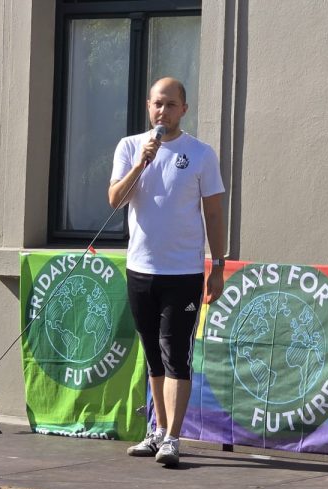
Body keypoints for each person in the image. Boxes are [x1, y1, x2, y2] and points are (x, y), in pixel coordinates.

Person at [108, 77, 226, 468]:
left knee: (176, 354)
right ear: (148, 105)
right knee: (153, 356)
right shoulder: (130, 147)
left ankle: (173, 437)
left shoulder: (201, 154)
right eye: (158, 104)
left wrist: (218, 265)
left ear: (184, 110)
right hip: (141, 269)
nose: (163, 111)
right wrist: (141, 163)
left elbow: (214, 213)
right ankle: (157, 430)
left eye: (171, 105)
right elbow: (115, 200)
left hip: (183, 273)